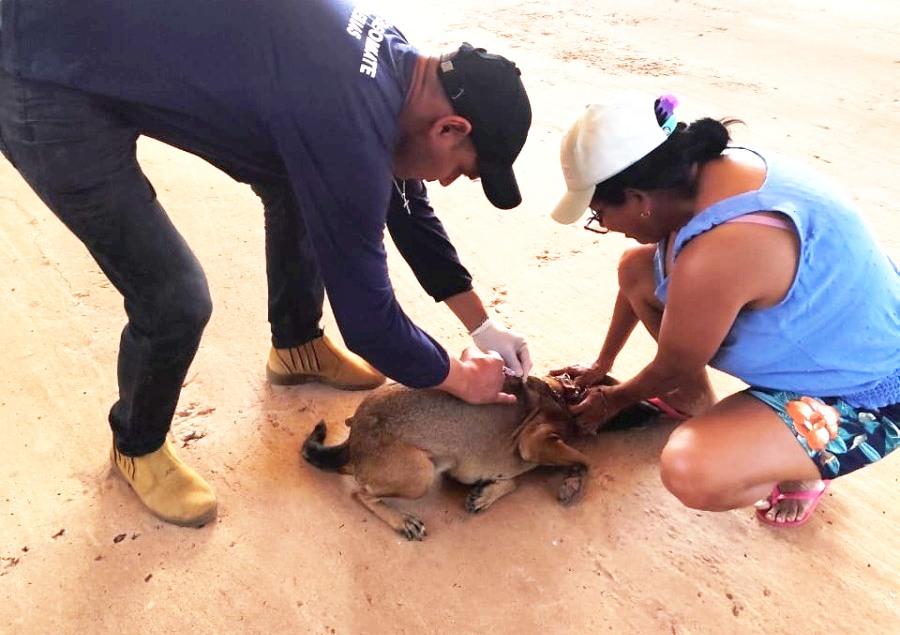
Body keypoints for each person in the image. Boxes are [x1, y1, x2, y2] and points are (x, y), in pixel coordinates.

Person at [0, 0, 533, 527]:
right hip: (41, 75)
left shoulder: (398, 69)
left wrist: (482, 326)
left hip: (107, 44)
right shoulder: (347, 124)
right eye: (462, 170)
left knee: (304, 183)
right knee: (174, 299)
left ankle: (297, 346)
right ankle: (137, 445)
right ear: (449, 129)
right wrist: (460, 379)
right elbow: (371, 325)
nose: (446, 180)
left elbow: (406, 205)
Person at [550, 93, 899, 527]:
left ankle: (800, 468)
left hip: (863, 388)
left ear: (639, 197)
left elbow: (674, 365)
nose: (604, 225)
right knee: (638, 268)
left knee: (693, 470)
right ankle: (693, 403)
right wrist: (603, 364)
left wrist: (613, 400)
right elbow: (636, 282)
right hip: (841, 328)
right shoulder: (705, 176)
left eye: (599, 214)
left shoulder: (720, 252)